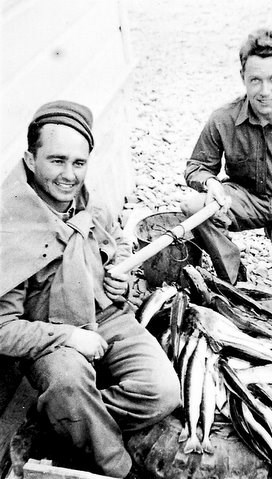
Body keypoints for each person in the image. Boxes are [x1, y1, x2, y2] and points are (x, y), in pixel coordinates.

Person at [0, 100, 181, 478]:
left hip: (109, 318)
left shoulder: (90, 204)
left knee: (162, 391)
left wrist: (121, 280)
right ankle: (118, 468)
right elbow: (2, 329)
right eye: (57, 160)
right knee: (69, 384)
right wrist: (68, 336)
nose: (69, 175)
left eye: (78, 163)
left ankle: (60, 424)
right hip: (54, 337)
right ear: (30, 160)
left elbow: (118, 248)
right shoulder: (9, 226)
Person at [181, 28, 272, 285]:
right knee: (194, 208)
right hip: (243, 199)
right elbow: (197, 166)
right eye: (255, 80)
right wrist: (211, 183)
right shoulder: (223, 118)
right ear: (242, 77)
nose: (264, 90)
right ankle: (233, 278)